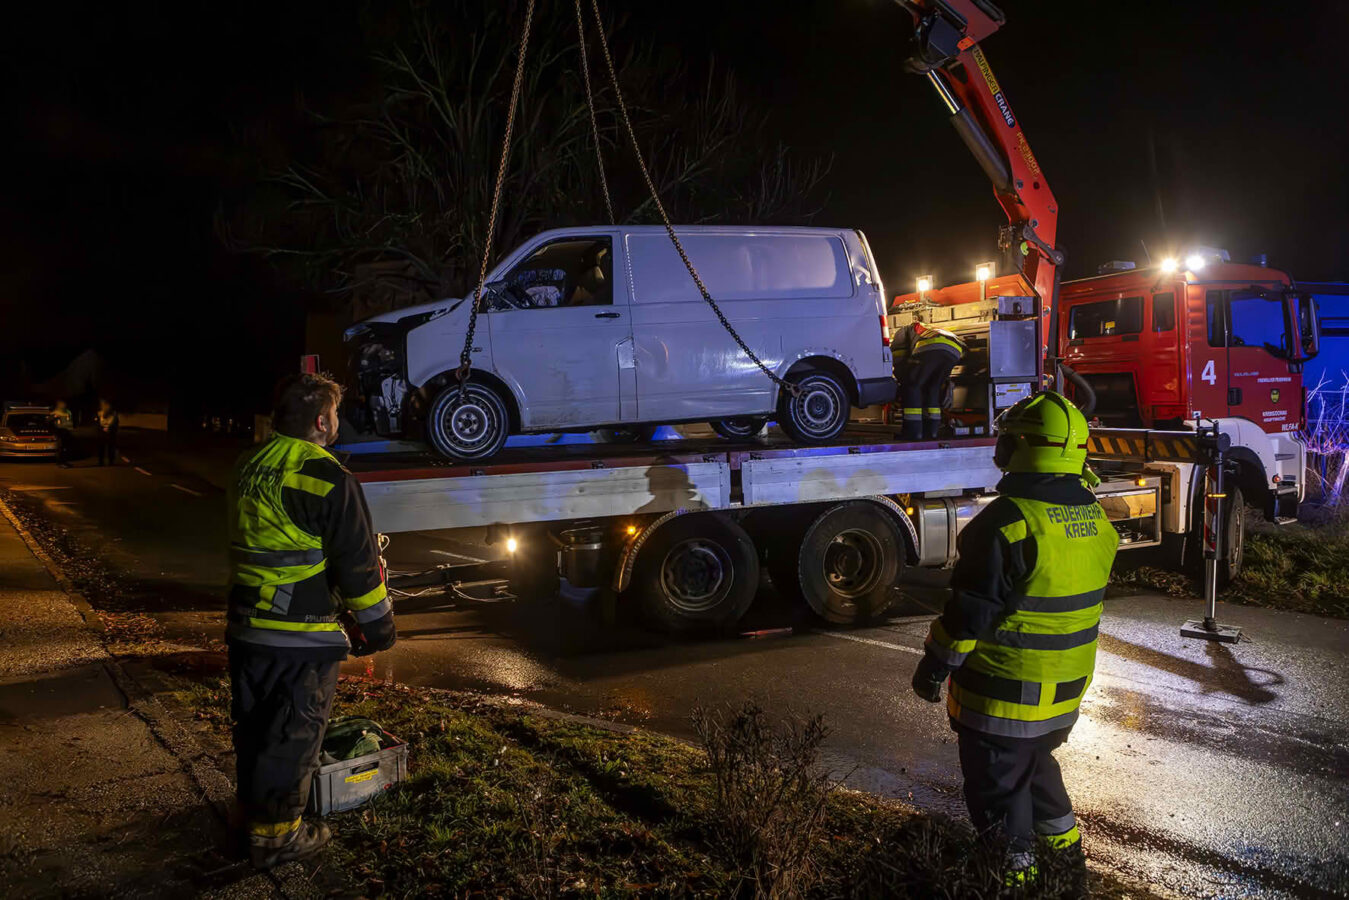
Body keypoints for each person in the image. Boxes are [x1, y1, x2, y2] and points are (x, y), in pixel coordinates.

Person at [910, 391, 1118, 885]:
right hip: (1063, 697)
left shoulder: (1005, 523)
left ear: (1023, 447)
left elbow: (968, 615)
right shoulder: (1094, 515)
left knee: (999, 796)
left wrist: (934, 666)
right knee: (1039, 774)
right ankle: (1068, 875)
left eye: (1007, 439)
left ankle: (1011, 882)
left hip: (1003, 698)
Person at [226, 372, 396, 869]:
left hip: (245, 626)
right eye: (336, 414)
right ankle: (276, 840)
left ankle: (250, 817)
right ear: (322, 421)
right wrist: (379, 628)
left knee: (255, 730)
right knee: (292, 736)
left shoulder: (248, 464)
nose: (337, 422)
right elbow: (360, 569)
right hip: (299, 634)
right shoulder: (326, 477)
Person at [897, 321, 965, 440]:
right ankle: (931, 432)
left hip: (930, 347)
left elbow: (898, 360)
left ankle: (913, 433)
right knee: (933, 388)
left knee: (912, 386)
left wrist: (900, 383)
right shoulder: (927, 328)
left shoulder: (902, 331)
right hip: (954, 351)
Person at [49, 400, 73, 468]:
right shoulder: (55, 412)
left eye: (64, 404)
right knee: (61, 447)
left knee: (66, 448)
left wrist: (71, 428)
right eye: (62, 404)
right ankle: (60, 462)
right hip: (60, 431)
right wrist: (55, 418)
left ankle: (65, 462)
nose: (63, 405)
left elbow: (70, 420)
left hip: (67, 431)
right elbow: (50, 421)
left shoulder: (68, 412)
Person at [95, 399, 119, 466]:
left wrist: (111, 429)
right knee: (101, 448)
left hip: (111, 434)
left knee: (111, 447)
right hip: (102, 434)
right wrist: (101, 429)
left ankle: (111, 461)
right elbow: (97, 424)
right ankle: (101, 461)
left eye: (107, 405)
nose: (105, 407)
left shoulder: (114, 414)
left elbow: (116, 424)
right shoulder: (99, 413)